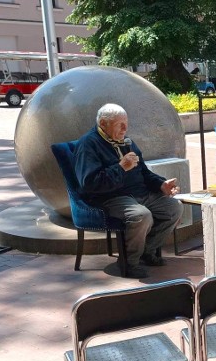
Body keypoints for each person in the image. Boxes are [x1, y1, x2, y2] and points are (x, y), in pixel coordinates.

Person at [74, 103, 183, 278]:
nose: (125, 128)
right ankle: (129, 263)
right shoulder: (88, 145)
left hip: (139, 193)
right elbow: (90, 183)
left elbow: (144, 172)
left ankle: (147, 251)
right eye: (120, 124)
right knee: (141, 215)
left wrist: (161, 185)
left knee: (174, 208)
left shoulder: (126, 141)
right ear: (103, 123)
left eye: (126, 123)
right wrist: (120, 167)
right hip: (111, 197)